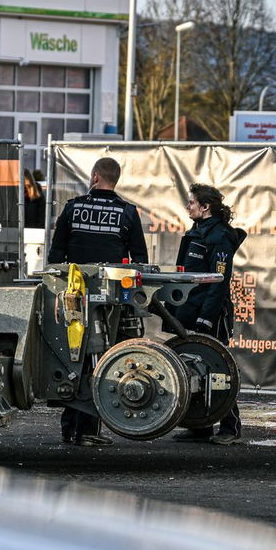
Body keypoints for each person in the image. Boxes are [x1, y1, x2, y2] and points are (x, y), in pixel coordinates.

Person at [47, 157, 149, 447]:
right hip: (110, 302)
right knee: (102, 360)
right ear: (114, 180)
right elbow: (140, 260)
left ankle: (70, 428)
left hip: (72, 297)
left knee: (72, 357)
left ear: (94, 177)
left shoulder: (73, 207)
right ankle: (88, 428)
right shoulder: (127, 212)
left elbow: (56, 255)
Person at [171, 183, 248, 446]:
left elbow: (219, 281)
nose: (188, 206)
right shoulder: (197, 230)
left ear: (205, 207)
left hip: (212, 314)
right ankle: (201, 425)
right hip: (191, 310)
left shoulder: (220, 235)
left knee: (218, 367)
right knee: (194, 367)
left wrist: (206, 318)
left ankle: (231, 428)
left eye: (191, 202)